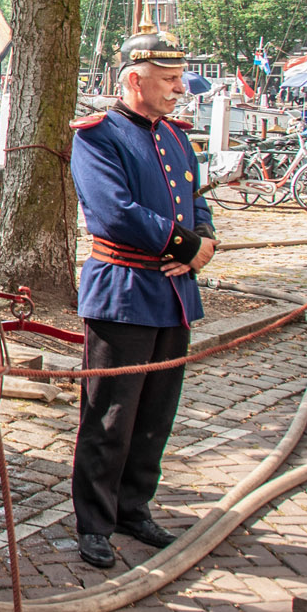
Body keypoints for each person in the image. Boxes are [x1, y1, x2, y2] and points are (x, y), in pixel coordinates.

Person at [69, 30, 217, 570]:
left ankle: (134, 506)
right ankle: (95, 522)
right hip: (123, 291)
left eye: (180, 79)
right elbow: (115, 212)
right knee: (109, 416)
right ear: (135, 79)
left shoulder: (176, 137)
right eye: (170, 80)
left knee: (156, 412)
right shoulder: (97, 136)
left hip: (173, 292)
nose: (181, 89)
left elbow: (195, 200)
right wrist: (188, 245)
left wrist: (206, 243)